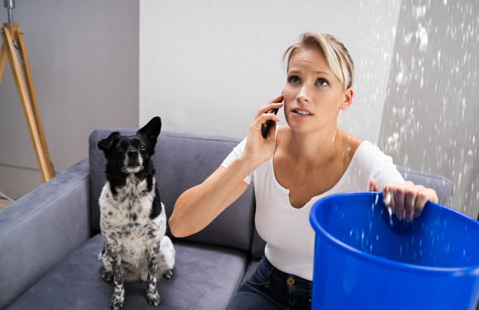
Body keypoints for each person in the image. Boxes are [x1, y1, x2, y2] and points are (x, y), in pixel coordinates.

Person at [168, 32, 439, 309]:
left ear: (346, 99)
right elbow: (180, 224)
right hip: (267, 286)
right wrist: (247, 162)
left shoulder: (364, 159)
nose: (302, 95)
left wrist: (420, 198)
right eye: (295, 79)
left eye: (321, 82)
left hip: (334, 295)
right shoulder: (261, 146)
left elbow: (413, 207)